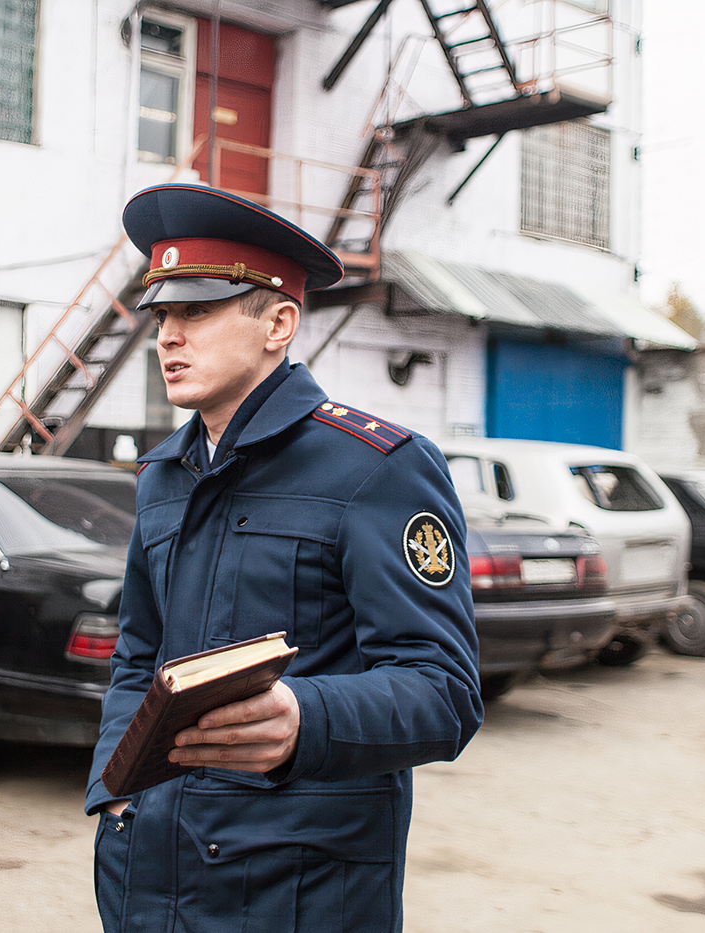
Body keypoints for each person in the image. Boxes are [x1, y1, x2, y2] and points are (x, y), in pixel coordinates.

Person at [86, 183, 483, 932]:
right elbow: (138, 656)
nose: (168, 335)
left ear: (279, 323)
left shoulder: (376, 468)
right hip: (150, 871)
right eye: (162, 314)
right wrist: (114, 788)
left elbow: (446, 690)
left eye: (196, 310)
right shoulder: (162, 479)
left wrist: (308, 717)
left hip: (293, 890)